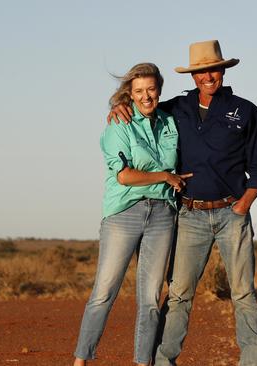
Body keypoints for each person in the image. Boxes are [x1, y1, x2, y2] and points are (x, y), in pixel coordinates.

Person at [109, 40, 257, 366]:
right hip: (190, 215)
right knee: (179, 295)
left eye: (212, 69)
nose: (207, 76)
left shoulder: (246, 111)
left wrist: (242, 207)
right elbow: (145, 103)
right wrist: (118, 105)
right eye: (200, 72)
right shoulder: (178, 108)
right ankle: (162, 361)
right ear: (193, 76)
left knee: (243, 294)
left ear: (222, 70)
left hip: (232, 214)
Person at [74, 63, 192, 366]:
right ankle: (80, 361)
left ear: (159, 89)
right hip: (124, 212)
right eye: (138, 91)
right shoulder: (120, 124)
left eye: (151, 89)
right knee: (104, 291)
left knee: (150, 299)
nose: (146, 96)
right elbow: (124, 176)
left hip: (163, 215)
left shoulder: (170, 121)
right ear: (130, 93)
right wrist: (166, 176)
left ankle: (143, 362)